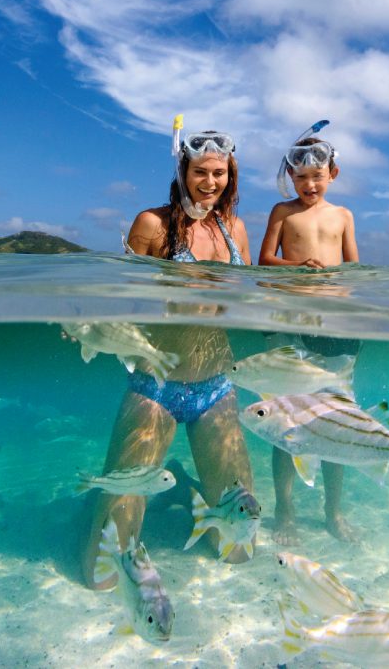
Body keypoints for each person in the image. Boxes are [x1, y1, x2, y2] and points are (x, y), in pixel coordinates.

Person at [82, 117, 256, 589]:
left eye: (219, 173)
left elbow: (250, 299)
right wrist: (86, 326)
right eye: (201, 171)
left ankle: (179, 493)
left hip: (217, 387)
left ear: (231, 175)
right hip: (156, 386)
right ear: (182, 170)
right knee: (102, 575)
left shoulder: (234, 229)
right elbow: (119, 297)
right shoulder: (152, 224)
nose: (210, 182)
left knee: (240, 546)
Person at [257, 122, 361, 543]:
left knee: (337, 423)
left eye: (317, 177)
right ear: (290, 177)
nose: (309, 184)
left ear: (332, 174)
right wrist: (297, 269)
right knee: (287, 425)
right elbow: (265, 261)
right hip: (294, 324)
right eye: (300, 178)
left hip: (335, 324)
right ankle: (285, 511)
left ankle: (333, 513)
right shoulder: (282, 212)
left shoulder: (344, 215)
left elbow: (354, 268)